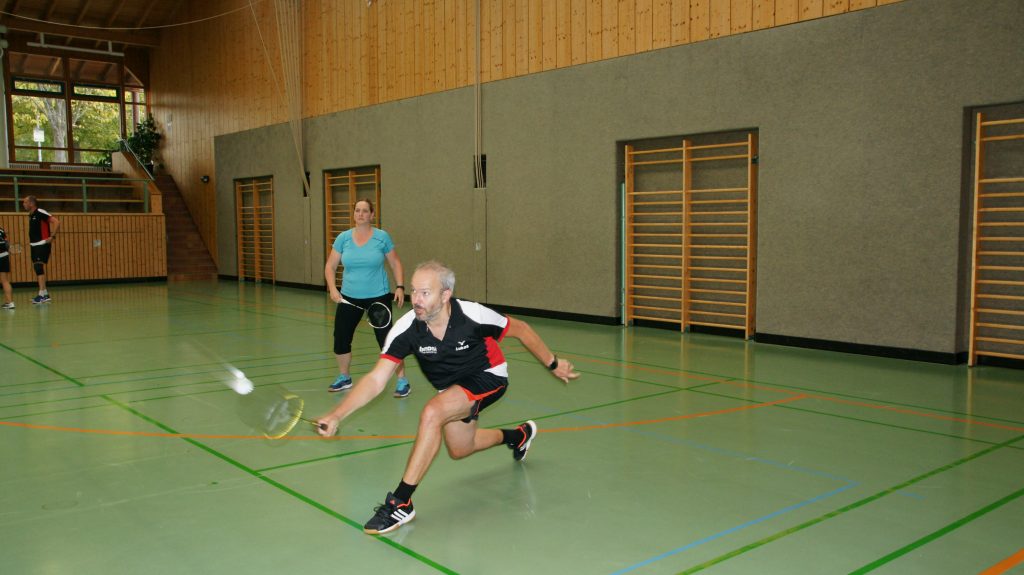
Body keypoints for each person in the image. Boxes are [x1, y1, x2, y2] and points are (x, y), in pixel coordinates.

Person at [316, 260, 580, 535]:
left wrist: (553, 363)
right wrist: (337, 414)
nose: (416, 300)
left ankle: (401, 501)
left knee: (433, 413)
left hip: (488, 375)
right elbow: (376, 379)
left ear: (445, 295)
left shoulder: (473, 315)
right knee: (460, 448)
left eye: (425, 293)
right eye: (414, 291)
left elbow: (521, 329)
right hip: (451, 389)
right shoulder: (407, 329)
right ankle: (518, 436)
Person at [325, 198, 411, 397]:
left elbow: (395, 263)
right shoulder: (343, 238)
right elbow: (330, 266)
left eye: (365, 211)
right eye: (357, 210)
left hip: (378, 297)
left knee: (387, 341)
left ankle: (402, 380)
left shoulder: (382, 237)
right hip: (349, 298)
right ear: (354, 214)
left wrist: (400, 286)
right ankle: (344, 377)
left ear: (372, 215)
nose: (361, 214)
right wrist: (333, 289)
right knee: (341, 338)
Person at [23, 195, 59, 304]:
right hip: (34, 245)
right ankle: (45, 294)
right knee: (37, 268)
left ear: (32, 203)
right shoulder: (31, 215)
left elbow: (56, 221)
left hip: (42, 244)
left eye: (25, 202)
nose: (23, 204)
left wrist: (52, 236)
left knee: (38, 267)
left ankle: (41, 295)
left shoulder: (40, 212)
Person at [0, 224, 13, 310]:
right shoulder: (1, 230)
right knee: (4, 280)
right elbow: (7, 243)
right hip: (4, 255)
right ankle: (10, 303)